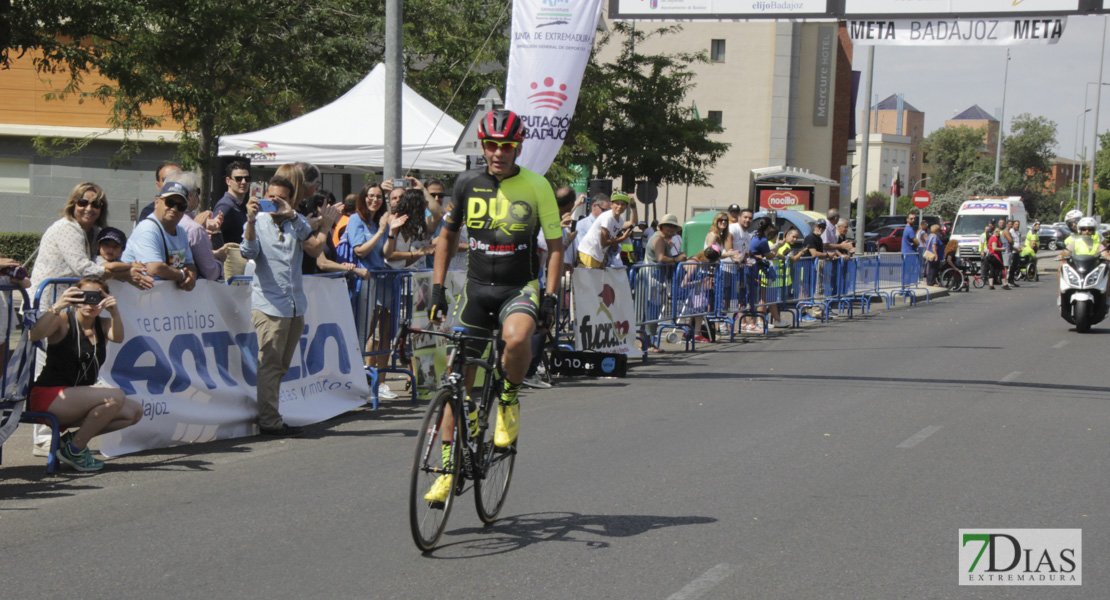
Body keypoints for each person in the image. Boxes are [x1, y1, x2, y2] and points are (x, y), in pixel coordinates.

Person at [426, 109, 564, 504]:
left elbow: (555, 248)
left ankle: (507, 400)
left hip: (518, 286)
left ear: (518, 146)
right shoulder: (467, 183)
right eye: (491, 145)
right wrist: (437, 289)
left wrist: (550, 300)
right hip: (475, 290)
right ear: (482, 146)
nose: (498, 152)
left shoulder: (537, 185)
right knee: (456, 386)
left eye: (506, 146)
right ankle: (446, 472)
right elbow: (446, 238)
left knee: (517, 338)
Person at [28, 182, 153, 457]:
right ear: (72, 204)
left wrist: (121, 273)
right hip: (51, 306)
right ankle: (43, 438)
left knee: (123, 406)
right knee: (44, 364)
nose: (89, 208)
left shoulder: (91, 232)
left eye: (96, 204)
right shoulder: (66, 228)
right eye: (83, 202)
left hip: (75, 305)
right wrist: (126, 271)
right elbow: (86, 268)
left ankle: (71, 442)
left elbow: (99, 266)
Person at [240, 175, 339, 437]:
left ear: (290, 199)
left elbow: (310, 241)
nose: (273, 203)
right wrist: (250, 220)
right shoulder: (258, 221)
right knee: (270, 366)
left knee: (281, 367)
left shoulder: (297, 222)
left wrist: (292, 214)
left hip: (295, 305)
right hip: (269, 305)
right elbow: (247, 252)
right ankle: (270, 422)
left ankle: (271, 415)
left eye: (280, 198)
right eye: (270, 197)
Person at [28, 276, 141, 471]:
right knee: (115, 397)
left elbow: (118, 337)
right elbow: (34, 335)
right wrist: (58, 306)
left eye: (96, 297)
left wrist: (114, 312)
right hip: (50, 395)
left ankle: (72, 442)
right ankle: (75, 450)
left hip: (77, 397)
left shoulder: (103, 324)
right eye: (83, 296)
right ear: (74, 298)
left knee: (134, 412)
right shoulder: (62, 321)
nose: (90, 303)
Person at [345, 182, 397, 400]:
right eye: (370, 196)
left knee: (384, 333)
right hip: (365, 283)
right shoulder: (356, 219)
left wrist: (392, 233)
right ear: (363, 197)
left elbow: (387, 253)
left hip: (383, 281)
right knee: (365, 333)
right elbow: (361, 251)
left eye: (378, 197)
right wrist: (382, 231)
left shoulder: (379, 221)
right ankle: (360, 380)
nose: (375, 200)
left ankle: (382, 382)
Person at [121, 181, 199, 291]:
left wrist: (191, 275)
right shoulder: (147, 228)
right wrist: (182, 275)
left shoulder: (180, 230)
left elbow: (189, 263)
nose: (175, 208)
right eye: (170, 202)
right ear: (157, 202)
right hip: (135, 298)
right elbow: (155, 268)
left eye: (181, 206)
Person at [165, 170, 226, 281]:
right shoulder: (194, 228)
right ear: (189, 195)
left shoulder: (155, 221)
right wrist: (220, 262)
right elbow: (210, 272)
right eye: (197, 191)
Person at [640, 213, 687, 351]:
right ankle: (646, 343)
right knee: (650, 311)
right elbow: (660, 258)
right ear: (662, 226)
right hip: (652, 278)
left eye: (674, 226)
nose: (671, 229)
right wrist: (676, 259)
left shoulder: (661, 238)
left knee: (647, 311)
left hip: (652, 277)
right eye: (669, 226)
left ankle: (646, 342)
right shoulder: (659, 238)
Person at [577, 192, 633, 268]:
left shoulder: (620, 221)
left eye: (623, 204)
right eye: (617, 203)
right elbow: (604, 242)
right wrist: (621, 239)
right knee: (587, 278)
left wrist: (603, 259)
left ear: (626, 207)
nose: (620, 206)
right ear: (611, 205)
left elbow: (609, 240)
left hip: (598, 256)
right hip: (588, 252)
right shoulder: (608, 217)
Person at [212, 160, 252, 245]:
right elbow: (213, 234)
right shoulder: (226, 206)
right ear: (228, 181)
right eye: (239, 179)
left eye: (247, 179)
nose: (244, 182)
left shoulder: (239, 206)